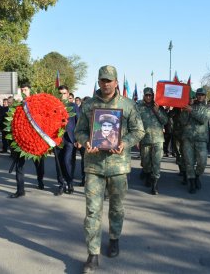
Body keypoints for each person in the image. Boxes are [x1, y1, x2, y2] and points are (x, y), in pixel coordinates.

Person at [74, 65, 144, 273]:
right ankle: (93, 253)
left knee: (116, 207)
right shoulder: (89, 106)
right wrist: (86, 141)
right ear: (98, 81)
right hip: (94, 165)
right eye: (102, 80)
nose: (105, 84)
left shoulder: (128, 105)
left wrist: (125, 142)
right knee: (93, 210)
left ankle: (114, 238)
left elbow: (138, 130)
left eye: (109, 80)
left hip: (118, 166)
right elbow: (80, 131)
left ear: (116, 82)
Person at [180, 88, 210, 193]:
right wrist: (184, 111)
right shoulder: (189, 106)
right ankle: (192, 182)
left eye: (202, 95)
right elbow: (183, 121)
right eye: (198, 94)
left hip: (201, 139)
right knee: (189, 162)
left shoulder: (208, 108)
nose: (200, 96)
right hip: (188, 138)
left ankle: (197, 175)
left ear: (205, 96)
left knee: (202, 162)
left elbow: (203, 119)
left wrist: (191, 111)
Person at [137, 87, 168, 195]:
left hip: (158, 139)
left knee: (156, 162)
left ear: (153, 95)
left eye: (150, 95)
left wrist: (157, 111)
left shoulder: (158, 106)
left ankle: (155, 185)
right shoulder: (138, 107)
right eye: (147, 95)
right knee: (146, 162)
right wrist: (137, 139)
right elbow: (135, 123)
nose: (149, 97)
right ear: (144, 96)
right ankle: (147, 173)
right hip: (145, 139)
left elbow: (165, 120)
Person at [54, 85, 81, 195]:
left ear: (68, 94)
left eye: (64, 93)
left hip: (70, 139)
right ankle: (61, 185)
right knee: (58, 163)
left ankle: (70, 182)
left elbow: (79, 123)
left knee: (67, 161)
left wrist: (78, 139)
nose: (62, 95)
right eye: (60, 93)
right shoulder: (53, 106)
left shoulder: (73, 106)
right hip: (57, 139)